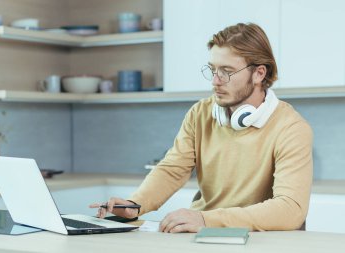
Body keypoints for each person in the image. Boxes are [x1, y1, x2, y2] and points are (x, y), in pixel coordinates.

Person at [89, 23, 313, 233]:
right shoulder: (201, 113)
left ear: (259, 73)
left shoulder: (291, 127)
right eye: (212, 69)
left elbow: (290, 209)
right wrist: (135, 204)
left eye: (226, 71)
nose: (215, 81)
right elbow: (172, 169)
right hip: (201, 234)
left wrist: (207, 220)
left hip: (255, 239)